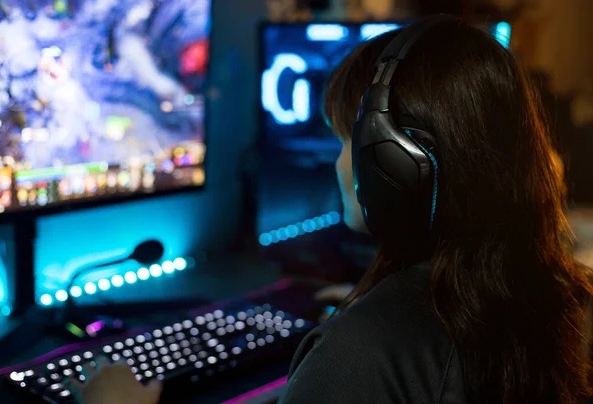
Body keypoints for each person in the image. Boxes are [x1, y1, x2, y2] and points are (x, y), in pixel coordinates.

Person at [64, 16, 593, 403]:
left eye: (345, 142)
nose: (339, 165)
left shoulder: (360, 353)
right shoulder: (571, 297)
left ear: (396, 165)